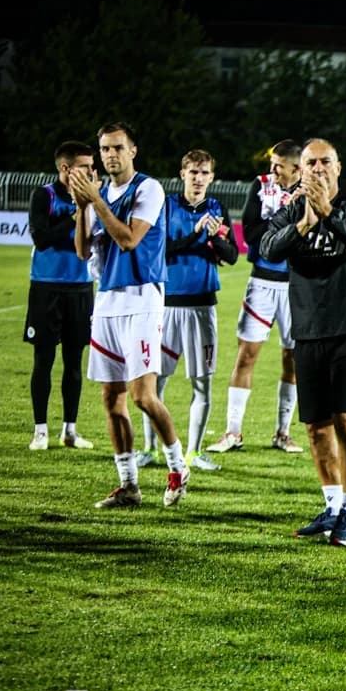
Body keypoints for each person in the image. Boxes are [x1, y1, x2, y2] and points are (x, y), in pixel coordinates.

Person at [261, 138, 346, 548]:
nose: (317, 168)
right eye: (310, 162)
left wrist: (328, 213)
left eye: (324, 161)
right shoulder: (293, 210)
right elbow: (265, 248)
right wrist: (303, 224)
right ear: (302, 169)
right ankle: (331, 506)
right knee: (315, 427)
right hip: (309, 328)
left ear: (338, 166)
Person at [70, 122, 189, 508]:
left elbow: (128, 238)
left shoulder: (148, 189)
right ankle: (128, 485)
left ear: (133, 150)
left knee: (142, 396)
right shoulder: (97, 194)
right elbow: (82, 251)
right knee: (111, 399)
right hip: (107, 301)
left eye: (117, 148)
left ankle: (177, 467)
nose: (110, 156)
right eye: (104, 149)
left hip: (142, 298)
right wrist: (81, 206)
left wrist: (96, 202)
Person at [136, 149, 239, 472]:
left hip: (203, 306)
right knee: (157, 381)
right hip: (167, 306)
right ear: (182, 174)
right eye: (193, 172)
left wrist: (213, 239)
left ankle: (193, 452)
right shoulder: (166, 205)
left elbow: (232, 254)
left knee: (202, 382)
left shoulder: (217, 208)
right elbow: (159, 249)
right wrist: (195, 234)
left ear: (211, 177)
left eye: (204, 172)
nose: (198, 178)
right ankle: (149, 449)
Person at [207, 140, 304, 455]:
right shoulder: (260, 187)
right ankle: (232, 432)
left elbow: (308, 239)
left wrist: (279, 225)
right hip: (261, 282)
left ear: (296, 168)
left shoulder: (311, 191)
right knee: (246, 355)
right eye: (271, 163)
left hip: (295, 287)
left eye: (279, 165)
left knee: (293, 360)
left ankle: (283, 433)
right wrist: (287, 221)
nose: (272, 170)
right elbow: (250, 238)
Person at [25, 140, 97, 452]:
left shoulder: (95, 198)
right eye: (86, 167)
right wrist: (76, 214)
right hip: (46, 287)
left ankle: (70, 430)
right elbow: (41, 238)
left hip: (81, 288)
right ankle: (40, 430)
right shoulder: (45, 195)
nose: (93, 172)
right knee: (43, 359)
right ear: (66, 169)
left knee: (74, 361)